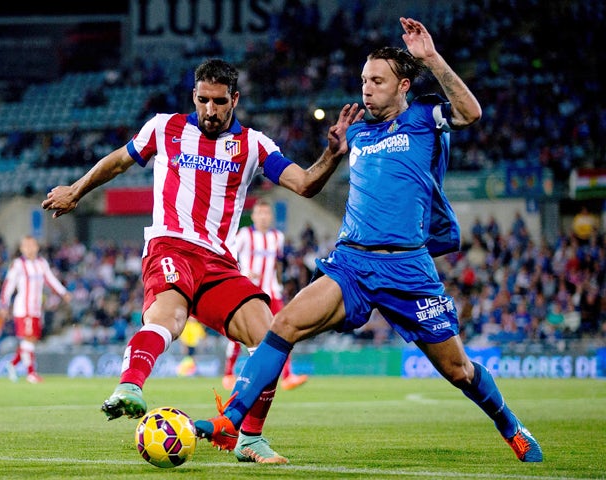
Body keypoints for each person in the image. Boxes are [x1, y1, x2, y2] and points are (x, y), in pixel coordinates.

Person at [195, 17, 543, 463]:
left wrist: (431, 58)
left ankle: (510, 426)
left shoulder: (424, 117)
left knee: (459, 370)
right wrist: (332, 151)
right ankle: (232, 423)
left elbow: (471, 113)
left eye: (377, 80)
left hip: (409, 268)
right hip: (352, 265)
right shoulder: (357, 132)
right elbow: (319, 175)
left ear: (402, 86)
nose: (366, 88)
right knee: (283, 326)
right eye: (363, 80)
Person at [41, 58, 363, 464]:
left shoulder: (254, 145)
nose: (210, 110)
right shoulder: (164, 127)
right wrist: (76, 189)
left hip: (219, 263)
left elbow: (304, 184)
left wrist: (332, 155)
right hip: (170, 246)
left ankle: (249, 439)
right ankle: (129, 386)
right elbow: (119, 161)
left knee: (270, 337)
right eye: (202, 100)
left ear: (235, 99)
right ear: (194, 95)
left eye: (219, 101)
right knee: (169, 319)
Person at [222, 198, 308, 391]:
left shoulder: (277, 237)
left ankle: (288, 375)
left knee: (285, 328)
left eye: (267, 213)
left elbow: (277, 264)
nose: (263, 217)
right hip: (247, 290)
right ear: (253, 216)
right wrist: (244, 272)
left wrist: (278, 282)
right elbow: (228, 255)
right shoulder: (244, 235)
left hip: (271, 291)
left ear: (271, 216)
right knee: (238, 331)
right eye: (260, 213)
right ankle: (228, 373)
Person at [0, 235, 71, 383]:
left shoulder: (41, 263)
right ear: (21, 249)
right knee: (29, 338)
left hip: (36, 308)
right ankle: (31, 373)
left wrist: (63, 292)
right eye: (26, 246)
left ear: (37, 247)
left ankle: (12, 364)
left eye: (32, 245)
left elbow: (50, 279)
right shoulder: (18, 264)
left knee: (32, 338)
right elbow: (9, 284)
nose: (29, 249)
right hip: (23, 308)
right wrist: (3, 304)